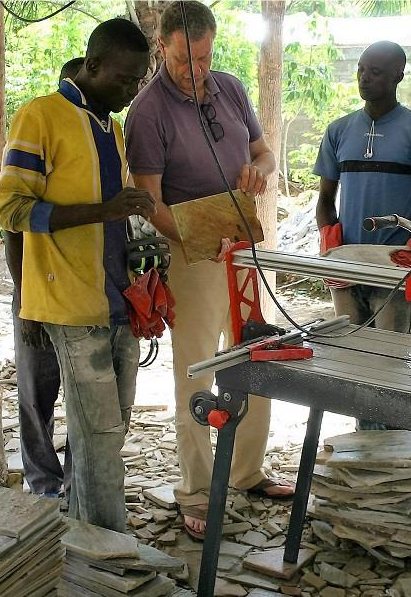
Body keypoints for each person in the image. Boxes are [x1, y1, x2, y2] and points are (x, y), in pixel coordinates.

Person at [124, 0, 292, 541]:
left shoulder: (230, 87)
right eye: (182, 61)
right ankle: (195, 489)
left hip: (240, 242)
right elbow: (149, 204)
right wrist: (199, 239)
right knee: (196, 372)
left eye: (202, 58)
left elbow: (265, 152)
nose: (194, 71)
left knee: (253, 355)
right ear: (163, 48)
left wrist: (257, 170)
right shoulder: (147, 112)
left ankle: (246, 472)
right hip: (191, 251)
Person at [0, 19, 155, 532]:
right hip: (67, 303)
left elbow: (114, 217)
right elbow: (12, 210)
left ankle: (82, 529)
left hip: (117, 301)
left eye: (138, 83)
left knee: (109, 430)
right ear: (93, 65)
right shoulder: (40, 116)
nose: (130, 93)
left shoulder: (112, 127)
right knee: (99, 432)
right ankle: (107, 545)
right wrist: (101, 211)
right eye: (124, 80)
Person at [313, 40, 411, 430]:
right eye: (361, 69)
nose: (365, 78)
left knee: (391, 361)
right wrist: (330, 243)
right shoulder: (339, 131)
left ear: (398, 76)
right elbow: (324, 199)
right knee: (352, 358)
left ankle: (395, 447)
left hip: (392, 265)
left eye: (376, 71)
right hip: (347, 262)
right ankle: (364, 441)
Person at [2, 56, 86, 500]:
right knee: (36, 396)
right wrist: (24, 301)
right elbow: (13, 229)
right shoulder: (37, 129)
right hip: (36, 295)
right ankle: (43, 484)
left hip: (77, 298)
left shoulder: (99, 141)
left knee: (82, 402)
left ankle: (75, 485)